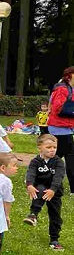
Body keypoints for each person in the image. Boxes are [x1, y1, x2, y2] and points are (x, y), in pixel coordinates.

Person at [23, 134, 65, 250]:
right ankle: (33, 215)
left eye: (54, 147)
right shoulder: (35, 161)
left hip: (54, 192)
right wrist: (30, 185)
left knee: (55, 215)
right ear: (39, 147)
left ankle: (54, 239)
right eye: (49, 147)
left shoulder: (58, 162)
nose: (52, 150)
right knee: (39, 189)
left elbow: (59, 176)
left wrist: (53, 190)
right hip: (41, 188)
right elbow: (31, 173)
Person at [47, 67, 74, 195]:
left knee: (61, 158)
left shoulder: (70, 89)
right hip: (59, 129)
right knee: (55, 158)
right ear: (70, 76)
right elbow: (58, 108)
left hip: (67, 129)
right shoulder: (62, 89)